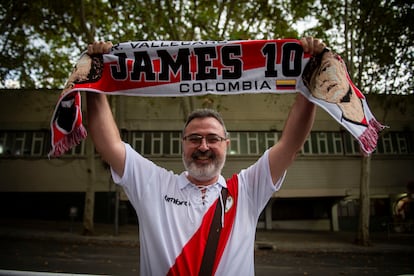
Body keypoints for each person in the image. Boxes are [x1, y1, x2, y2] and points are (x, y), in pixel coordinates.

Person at [86, 37, 326, 275]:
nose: (203, 146)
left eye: (213, 139)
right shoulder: (154, 184)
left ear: (226, 144)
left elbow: (290, 145)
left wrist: (309, 81)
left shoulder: (247, 189)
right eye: (194, 139)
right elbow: (109, 145)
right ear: (183, 144)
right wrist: (95, 81)